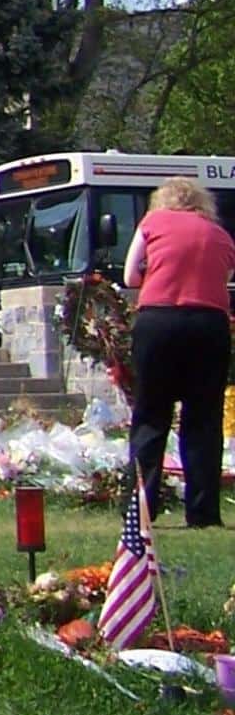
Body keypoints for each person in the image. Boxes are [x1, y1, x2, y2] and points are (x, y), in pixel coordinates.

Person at [120, 177, 233, 528]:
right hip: (209, 324)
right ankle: (203, 512)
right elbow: (224, 274)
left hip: (158, 322)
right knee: (203, 420)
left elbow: (129, 276)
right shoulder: (221, 236)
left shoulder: (152, 223)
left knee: (151, 416)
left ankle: (140, 509)